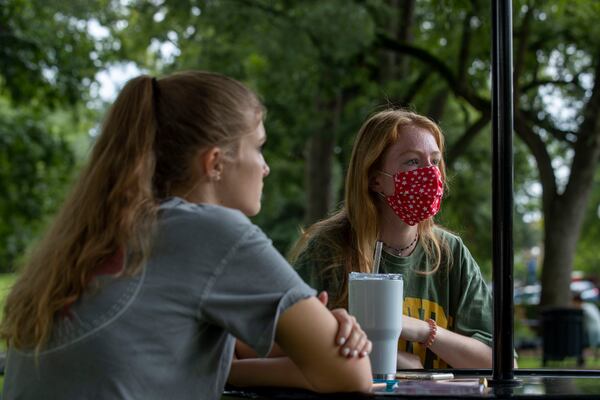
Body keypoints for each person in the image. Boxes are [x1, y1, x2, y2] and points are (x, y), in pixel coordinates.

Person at [0, 71, 372, 400]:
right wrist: (322, 344)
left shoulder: (106, 231)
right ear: (215, 162)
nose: (266, 167)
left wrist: (317, 333)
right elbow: (351, 374)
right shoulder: (211, 232)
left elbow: (229, 346)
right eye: (258, 147)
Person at [292, 109, 501, 369]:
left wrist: (422, 330)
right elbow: (286, 341)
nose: (430, 174)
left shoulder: (450, 252)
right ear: (375, 180)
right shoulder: (329, 248)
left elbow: (499, 360)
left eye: (434, 161)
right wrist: (388, 358)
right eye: (412, 162)